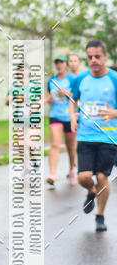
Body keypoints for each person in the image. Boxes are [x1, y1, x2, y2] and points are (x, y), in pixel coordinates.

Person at [69, 39, 117, 232]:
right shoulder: (80, 79)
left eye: (97, 56)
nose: (94, 60)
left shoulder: (114, 78)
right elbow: (73, 99)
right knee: (83, 177)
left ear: (105, 56)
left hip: (108, 136)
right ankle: (92, 191)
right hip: (85, 135)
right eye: (90, 57)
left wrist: (114, 113)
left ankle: (100, 216)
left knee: (102, 176)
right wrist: (72, 114)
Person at [45, 54, 76, 187]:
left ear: (66, 64)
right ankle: (52, 174)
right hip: (55, 115)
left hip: (69, 116)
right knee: (55, 144)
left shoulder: (73, 79)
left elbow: (78, 98)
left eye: (61, 62)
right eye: (57, 62)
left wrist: (67, 94)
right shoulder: (51, 80)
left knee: (70, 147)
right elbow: (48, 95)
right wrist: (48, 99)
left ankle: (72, 169)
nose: (59, 65)